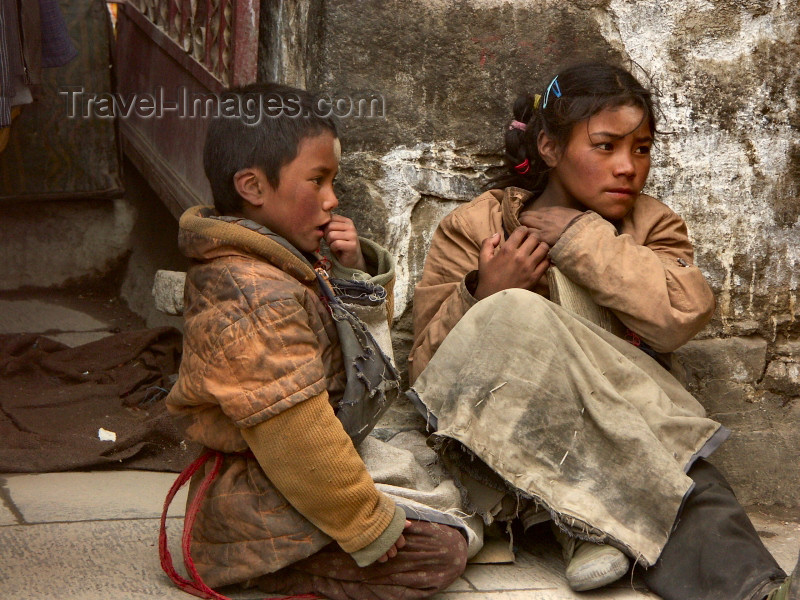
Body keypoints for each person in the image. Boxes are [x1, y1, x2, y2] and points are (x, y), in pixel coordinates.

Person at [408, 61, 798, 600]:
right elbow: (425, 373)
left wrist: (577, 236)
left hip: (624, 420)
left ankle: (755, 589)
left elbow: (677, 316)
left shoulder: (650, 223)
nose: (627, 167)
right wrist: (484, 291)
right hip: (506, 438)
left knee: (674, 476)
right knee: (513, 314)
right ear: (549, 147)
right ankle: (578, 522)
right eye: (605, 146)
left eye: (641, 148)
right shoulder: (475, 227)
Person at [163, 82, 467, 600]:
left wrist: (353, 271)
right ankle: (240, 560)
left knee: (445, 462)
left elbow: (361, 352)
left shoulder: (280, 259)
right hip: (262, 484)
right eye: (318, 180)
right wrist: (367, 524)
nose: (333, 199)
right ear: (253, 187)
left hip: (304, 459)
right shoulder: (254, 295)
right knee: (440, 550)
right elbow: (297, 435)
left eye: (333, 180)